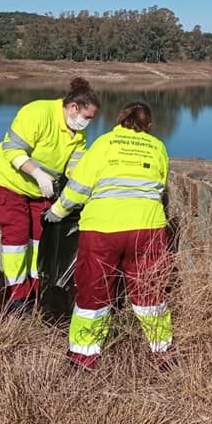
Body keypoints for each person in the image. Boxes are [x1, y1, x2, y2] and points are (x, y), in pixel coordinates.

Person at [44, 101, 173, 370]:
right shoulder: (158, 147)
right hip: (147, 227)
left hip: (103, 228)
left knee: (94, 291)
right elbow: (160, 185)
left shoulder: (104, 143)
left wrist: (57, 211)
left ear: (119, 120)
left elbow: (78, 187)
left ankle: (84, 357)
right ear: (148, 125)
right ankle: (162, 353)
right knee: (150, 291)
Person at [0, 77, 99, 310]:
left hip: (40, 190)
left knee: (41, 238)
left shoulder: (79, 135)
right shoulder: (38, 113)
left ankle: (38, 292)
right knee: (17, 238)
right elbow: (12, 149)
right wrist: (37, 173)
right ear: (73, 107)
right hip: (8, 181)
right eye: (87, 117)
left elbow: (74, 168)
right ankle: (17, 298)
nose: (88, 123)